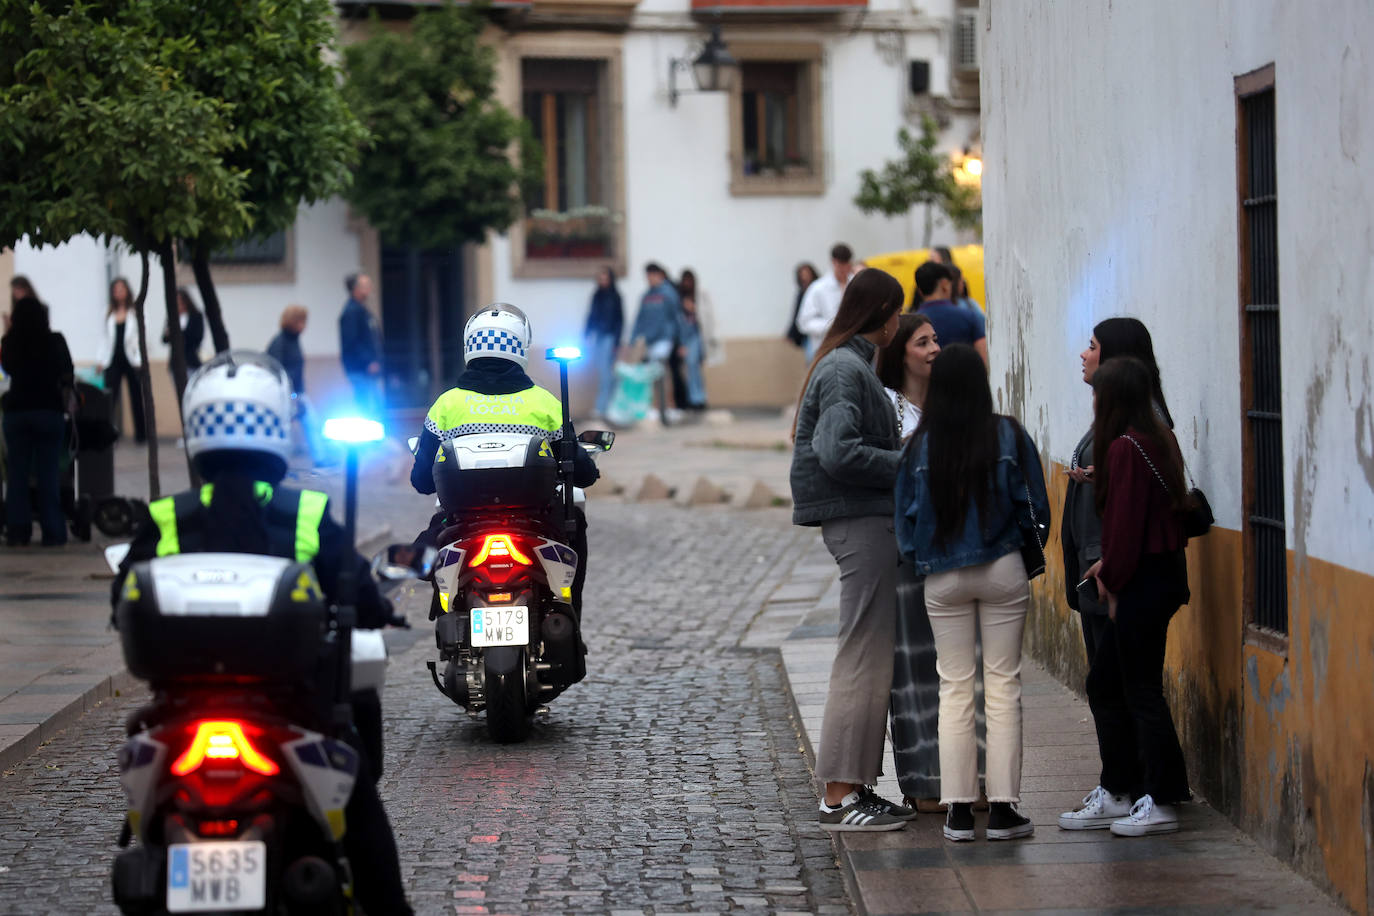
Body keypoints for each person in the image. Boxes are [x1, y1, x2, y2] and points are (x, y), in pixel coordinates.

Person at [110, 351, 413, 915]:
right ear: (276, 427)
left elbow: (120, 597)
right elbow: (358, 593)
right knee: (360, 811)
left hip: (181, 714)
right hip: (293, 709)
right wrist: (377, 609)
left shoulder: (167, 517)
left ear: (198, 431)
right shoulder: (306, 514)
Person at [894, 343, 1049, 842]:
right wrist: (1028, 549)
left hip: (942, 574)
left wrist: (923, 559)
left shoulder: (919, 445)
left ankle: (958, 812)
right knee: (1003, 684)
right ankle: (1002, 810)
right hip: (1002, 566)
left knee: (954, 687)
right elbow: (1035, 505)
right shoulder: (1008, 433)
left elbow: (905, 521)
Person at [790, 267, 911, 832]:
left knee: (870, 655)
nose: (898, 322)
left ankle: (855, 787)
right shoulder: (844, 367)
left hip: (864, 518)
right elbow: (837, 451)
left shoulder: (850, 363)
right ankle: (839, 797)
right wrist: (909, 464)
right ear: (882, 312)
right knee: (862, 656)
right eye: (897, 311)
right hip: (859, 521)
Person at [409, 303, 600, 619]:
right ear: (520, 347)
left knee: (433, 539)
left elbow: (421, 481)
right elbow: (581, 473)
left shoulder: (446, 406)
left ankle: (447, 612)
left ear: (470, 346)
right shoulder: (545, 404)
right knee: (574, 524)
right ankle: (569, 616)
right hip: (536, 522)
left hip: (462, 524)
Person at [1071, 355, 1192, 837]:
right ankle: (1123, 788)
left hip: (1141, 582)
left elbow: (1123, 529)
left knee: (1138, 690)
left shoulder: (1124, 448)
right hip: (1159, 575)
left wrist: (1113, 581)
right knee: (1109, 683)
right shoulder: (1156, 440)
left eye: (1098, 393)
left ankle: (1159, 798)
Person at [877, 314, 986, 813]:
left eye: (936, 340)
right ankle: (925, 785)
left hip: (959, 552)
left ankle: (973, 779)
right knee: (917, 669)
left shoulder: (950, 403)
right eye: (923, 342)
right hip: (908, 554)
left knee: (964, 671)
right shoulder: (887, 408)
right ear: (901, 352)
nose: (935, 349)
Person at [2, 294, 74, 547]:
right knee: (48, 474)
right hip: (48, 411)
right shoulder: (55, 341)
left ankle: (17, 531)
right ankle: (53, 532)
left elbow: (8, 369)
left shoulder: (9, 342)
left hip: (17, 411)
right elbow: (67, 372)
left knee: (17, 475)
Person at [267, 305, 326, 466]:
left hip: (297, 391)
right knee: (304, 423)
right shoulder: (281, 342)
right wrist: (291, 393)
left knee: (311, 423)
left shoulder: (293, 340)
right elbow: (277, 369)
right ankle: (318, 458)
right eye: (301, 321)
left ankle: (320, 458)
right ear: (292, 321)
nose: (304, 326)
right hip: (289, 393)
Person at [628, 263, 686, 425]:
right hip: (649, 341)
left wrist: (682, 341)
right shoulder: (646, 296)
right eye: (647, 276)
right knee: (653, 374)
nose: (649, 279)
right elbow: (639, 319)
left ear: (659, 275)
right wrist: (633, 339)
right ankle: (656, 407)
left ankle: (670, 406)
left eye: (652, 276)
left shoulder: (669, 294)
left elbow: (677, 317)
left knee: (662, 371)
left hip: (664, 339)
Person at [913, 261, 987, 367]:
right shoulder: (971, 316)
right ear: (945, 285)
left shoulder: (912, 324)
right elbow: (983, 358)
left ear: (919, 290)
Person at [99, 276, 146, 443]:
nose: (118, 293)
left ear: (127, 291)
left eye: (121, 289)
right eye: (115, 290)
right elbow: (104, 338)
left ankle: (141, 434)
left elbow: (141, 337)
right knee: (110, 398)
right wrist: (101, 359)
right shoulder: (108, 312)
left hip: (131, 359)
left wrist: (140, 359)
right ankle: (107, 433)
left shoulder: (135, 311)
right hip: (113, 359)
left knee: (136, 397)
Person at [796, 243, 856, 362]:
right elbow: (804, 322)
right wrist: (831, 325)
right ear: (833, 263)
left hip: (853, 348)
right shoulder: (818, 288)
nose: (844, 269)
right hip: (824, 350)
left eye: (846, 264)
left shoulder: (856, 284)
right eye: (840, 265)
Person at [339, 272, 382, 416]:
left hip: (365, 369)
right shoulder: (352, 312)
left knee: (372, 405)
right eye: (366, 285)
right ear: (356, 289)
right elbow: (351, 341)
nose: (370, 288)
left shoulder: (361, 310)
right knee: (367, 407)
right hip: (361, 369)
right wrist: (368, 361)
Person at [584, 266, 624, 421]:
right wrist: (587, 333)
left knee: (606, 373)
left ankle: (602, 407)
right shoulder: (597, 295)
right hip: (599, 336)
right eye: (600, 278)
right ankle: (608, 405)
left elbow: (619, 320)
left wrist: (617, 342)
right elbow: (592, 315)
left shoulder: (615, 296)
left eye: (605, 278)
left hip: (609, 337)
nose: (603, 281)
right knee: (603, 371)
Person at [676, 268, 715, 411]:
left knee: (694, 367)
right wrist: (681, 343)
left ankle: (698, 398)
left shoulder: (700, 295)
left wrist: (693, 309)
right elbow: (679, 322)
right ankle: (695, 398)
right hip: (685, 337)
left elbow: (707, 317)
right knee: (690, 368)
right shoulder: (679, 298)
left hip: (697, 335)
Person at [161, 287, 205, 375]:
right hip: (174, 362)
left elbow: (197, 337)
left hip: (190, 360)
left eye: (180, 302)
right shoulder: (172, 318)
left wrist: (177, 333)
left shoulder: (195, 316)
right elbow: (164, 339)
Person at [786, 262, 819, 350]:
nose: (805, 277)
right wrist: (791, 333)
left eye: (807, 274)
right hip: (807, 331)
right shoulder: (802, 293)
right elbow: (797, 313)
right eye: (803, 275)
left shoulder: (819, 290)